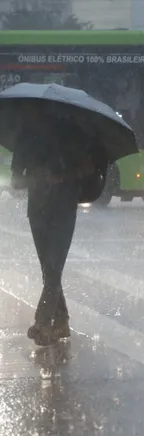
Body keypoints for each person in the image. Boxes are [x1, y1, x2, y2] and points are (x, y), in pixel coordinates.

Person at [10, 105, 96, 346]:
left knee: (53, 267)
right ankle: (61, 321)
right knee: (49, 271)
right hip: (38, 212)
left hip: (63, 210)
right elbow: (16, 181)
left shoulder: (70, 134)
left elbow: (89, 167)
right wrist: (36, 176)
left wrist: (61, 177)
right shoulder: (25, 137)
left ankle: (42, 323)